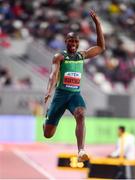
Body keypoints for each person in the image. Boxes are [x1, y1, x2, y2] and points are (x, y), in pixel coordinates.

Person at [43, 10, 105, 162]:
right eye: (71, 41)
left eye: (76, 41)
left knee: (81, 114)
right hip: (60, 95)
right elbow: (54, 74)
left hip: (74, 95)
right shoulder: (59, 57)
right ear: (66, 41)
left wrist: (97, 23)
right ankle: (47, 121)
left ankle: (81, 151)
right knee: (48, 134)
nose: (74, 44)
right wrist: (49, 91)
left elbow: (101, 47)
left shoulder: (81, 56)